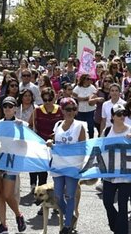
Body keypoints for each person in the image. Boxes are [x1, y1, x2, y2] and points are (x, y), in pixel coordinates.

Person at [46, 98, 86, 234]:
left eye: (73, 109)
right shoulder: (58, 124)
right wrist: (50, 141)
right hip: (58, 164)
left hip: (73, 166)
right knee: (57, 196)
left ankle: (67, 225)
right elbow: (54, 138)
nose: (71, 112)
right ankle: (70, 216)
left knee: (69, 195)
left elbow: (83, 147)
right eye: (68, 109)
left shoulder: (80, 126)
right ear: (62, 110)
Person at [102, 104, 131, 234]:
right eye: (119, 114)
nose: (122, 116)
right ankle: (115, 225)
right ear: (112, 116)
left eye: (124, 113)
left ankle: (122, 231)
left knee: (123, 205)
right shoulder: (107, 131)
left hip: (126, 174)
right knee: (107, 202)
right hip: (110, 173)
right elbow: (100, 148)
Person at [0, 96, 27, 234]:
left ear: (15, 109)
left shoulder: (21, 125)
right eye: (5, 106)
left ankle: (19, 215)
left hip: (12, 163)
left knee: (7, 194)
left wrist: (21, 130)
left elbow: (24, 144)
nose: (7, 109)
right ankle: (3, 225)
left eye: (10, 106)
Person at [29, 88, 64, 197]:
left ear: (55, 98)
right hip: (41, 144)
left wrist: (56, 136)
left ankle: (58, 194)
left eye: (50, 99)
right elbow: (30, 125)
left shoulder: (61, 110)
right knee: (41, 170)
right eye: (45, 100)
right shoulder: (37, 110)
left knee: (56, 171)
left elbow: (65, 125)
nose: (48, 102)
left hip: (56, 144)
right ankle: (40, 192)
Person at [73, 74, 97, 138]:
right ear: (83, 80)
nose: (90, 80)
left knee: (91, 126)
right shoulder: (78, 87)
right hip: (80, 110)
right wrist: (85, 98)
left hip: (90, 110)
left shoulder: (92, 87)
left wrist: (82, 99)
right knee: (80, 127)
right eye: (88, 79)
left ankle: (91, 139)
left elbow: (94, 96)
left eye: (90, 79)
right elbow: (74, 96)